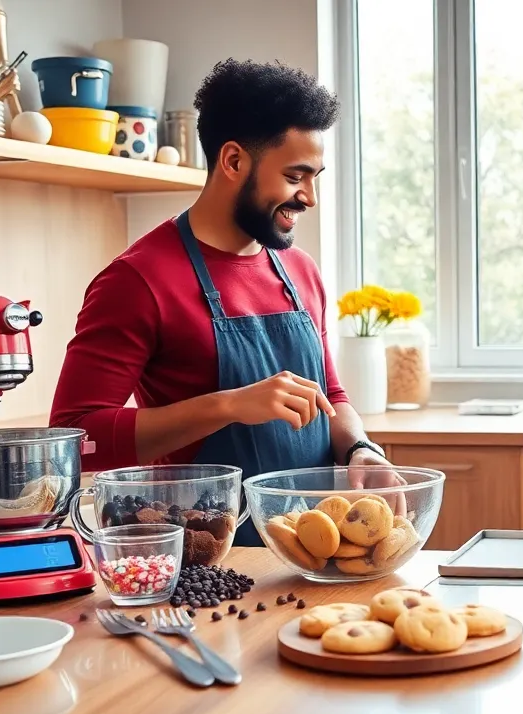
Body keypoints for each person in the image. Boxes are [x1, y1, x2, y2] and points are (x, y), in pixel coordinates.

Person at [50, 59, 396, 546]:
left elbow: (330, 398)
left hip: (316, 550)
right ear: (233, 162)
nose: (310, 198)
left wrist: (361, 449)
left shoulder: (300, 271)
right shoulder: (136, 280)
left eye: (315, 176)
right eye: (297, 176)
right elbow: (74, 439)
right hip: (210, 556)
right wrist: (231, 405)